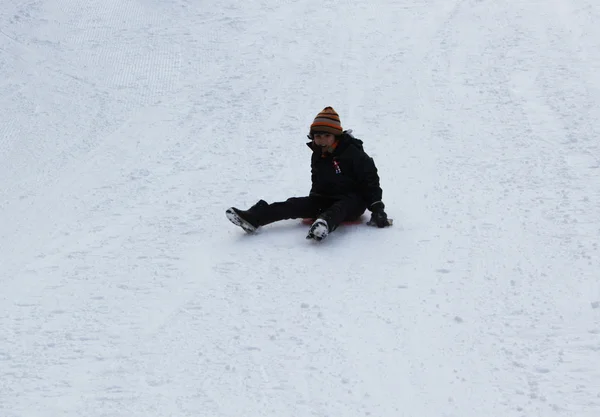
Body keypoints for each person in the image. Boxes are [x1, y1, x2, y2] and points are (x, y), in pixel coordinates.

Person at [226, 106, 391, 241]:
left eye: (327, 136)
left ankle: (324, 224)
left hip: (353, 202)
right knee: (292, 205)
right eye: (318, 136)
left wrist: (377, 209)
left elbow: (370, 180)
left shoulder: (353, 153)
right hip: (324, 199)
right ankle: (253, 218)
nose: (322, 140)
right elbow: (318, 179)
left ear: (336, 136)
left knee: (342, 206)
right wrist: (312, 201)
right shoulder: (318, 154)